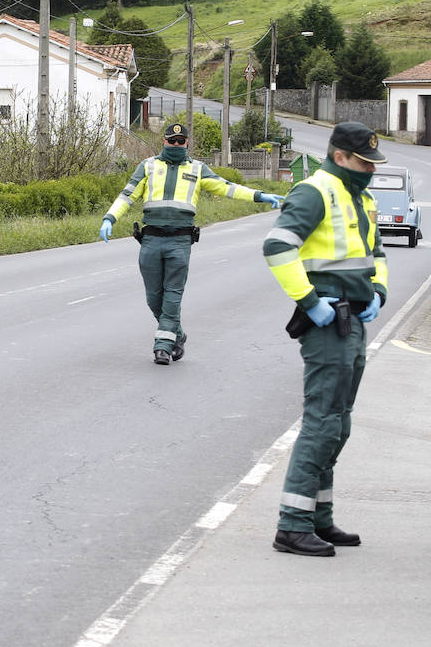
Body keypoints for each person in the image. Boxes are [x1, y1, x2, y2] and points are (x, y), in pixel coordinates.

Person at [263, 121, 389, 557]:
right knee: (323, 421)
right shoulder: (315, 191)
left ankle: (319, 517)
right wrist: (310, 301)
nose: (371, 170)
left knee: (339, 422)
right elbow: (277, 247)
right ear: (341, 157)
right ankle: (292, 524)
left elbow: (376, 254)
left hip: (353, 320)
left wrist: (379, 292)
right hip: (328, 323)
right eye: (365, 162)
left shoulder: (361, 198)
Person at [100, 120, 283, 365]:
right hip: (151, 239)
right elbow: (127, 195)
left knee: (172, 295)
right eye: (171, 141)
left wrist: (260, 196)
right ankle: (177, 333)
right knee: (153, 298)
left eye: (180, 141)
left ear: (187, 143)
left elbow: (227, 188)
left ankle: (163, 346)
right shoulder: (148, 166)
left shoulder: (197, 169)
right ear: (164, 141)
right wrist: (110, 218)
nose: (176, 144)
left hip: (180, 241)